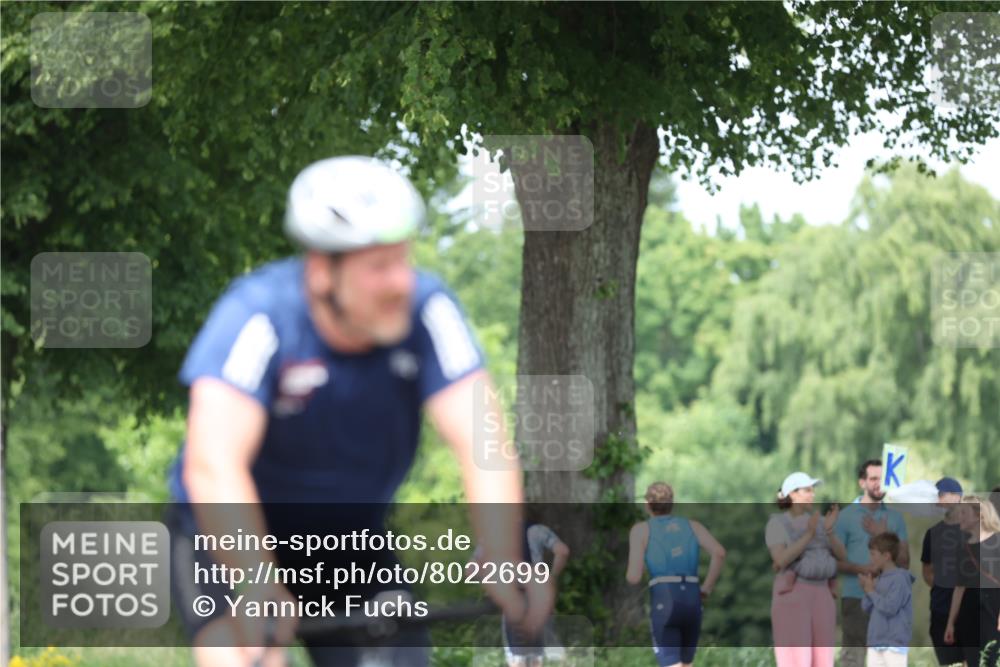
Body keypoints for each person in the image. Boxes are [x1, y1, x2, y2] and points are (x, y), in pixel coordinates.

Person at [164, 156, 551, 667]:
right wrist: (256, 579)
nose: (400, 282)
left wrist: (504, 553)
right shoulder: (258, 316)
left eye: (404, 259)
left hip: (350, 546)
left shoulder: (428, 310)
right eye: (378, 267)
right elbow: (214, 466)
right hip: (225, 540)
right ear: (323, 271)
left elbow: (485, 444)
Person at [626, 482, 726, 667]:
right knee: (687, 664)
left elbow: (634, 577)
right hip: (692, 597)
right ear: (672, 503)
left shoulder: (641, 530)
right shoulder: (693, 526)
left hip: (665, 597)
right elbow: (719, 553)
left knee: (671, 664)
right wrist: (706, 588)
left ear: (647, 504)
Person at [834, 459, 910, 667]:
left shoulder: (895, 518)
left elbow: (905, 563)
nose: (879, 483)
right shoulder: (845, 517)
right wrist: (864, 569)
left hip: (890, 602)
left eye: (883, 478)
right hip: (856, 598)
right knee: (853, 662)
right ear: (862, 483)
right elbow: (834, 563)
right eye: (873, 478)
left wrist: (882, 534)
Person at [766, 472, 846, 667]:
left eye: (813, 490)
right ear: (792, 495)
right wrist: (809, 535)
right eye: (807, 490)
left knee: (823, 659)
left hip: (822, 594)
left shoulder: (820, 522)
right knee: (797, 659)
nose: (812, 494)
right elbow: (781, 560)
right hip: (793, 595)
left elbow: (842, 556)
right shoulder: (777, 523)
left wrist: (829, 530)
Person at [498, 519, 571, 667]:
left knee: (517, 656)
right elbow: (563, 551)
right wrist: (552, 577)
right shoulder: (537, 530)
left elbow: (471, 570)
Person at [944, 496, 1000, 667]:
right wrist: (950, 624)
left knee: (991, 659)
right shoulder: (963, 548)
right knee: (972, 661)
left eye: (964, 512)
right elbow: (959, 588)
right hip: (969, 613)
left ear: (978, 516)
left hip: (993, 611)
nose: (959, 517)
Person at [920, 477, 966, 666]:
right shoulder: (933, 533)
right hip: (941, 607)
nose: (936, 501)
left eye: (939, 495)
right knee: (946, 661)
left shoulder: (974, 531)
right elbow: (927, 570)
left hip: (969, 607)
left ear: (957, 498)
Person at [860, 532, 915, 667]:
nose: (870, 558)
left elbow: (890, 608)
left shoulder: (899, 579)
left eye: (873, 554)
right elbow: (866, 607)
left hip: (894, 645)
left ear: (886, 556)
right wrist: (868, 588)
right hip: (875, 643)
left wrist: (872, 592)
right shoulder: (878, 579)